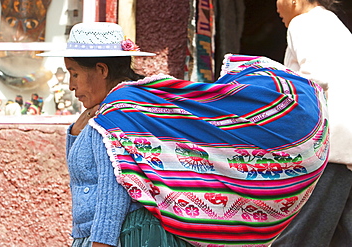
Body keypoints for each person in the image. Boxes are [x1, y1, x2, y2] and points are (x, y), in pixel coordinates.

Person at [39, 22, 329, 247]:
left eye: (74, 73)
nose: (70, 84)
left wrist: (100, 243)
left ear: (101, 69)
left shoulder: (117, 115)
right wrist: (78, 128)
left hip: (128, 237)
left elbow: (112, 197)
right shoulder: (119, 110)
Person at [273, 1, 352, 246]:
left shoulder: (304, 22)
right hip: (344, 145)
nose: (276, 8)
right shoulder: (333, 24)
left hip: (326, 147)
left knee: (301, 233)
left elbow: (313, 81)